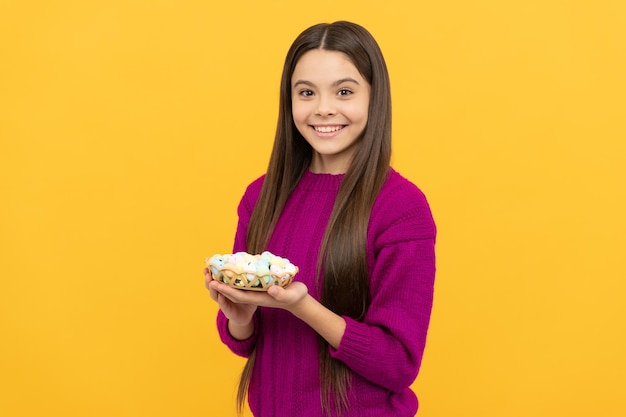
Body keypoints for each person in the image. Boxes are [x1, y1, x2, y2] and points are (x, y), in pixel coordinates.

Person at [204, 20, 436, 417]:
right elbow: (243, 342)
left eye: (344, 91)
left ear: (374, 98)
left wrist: (302, 305)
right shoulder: (260, 197)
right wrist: (239, 318)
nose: (323, 108)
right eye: (306, 93)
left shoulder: (401, 208)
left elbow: (398, 363)